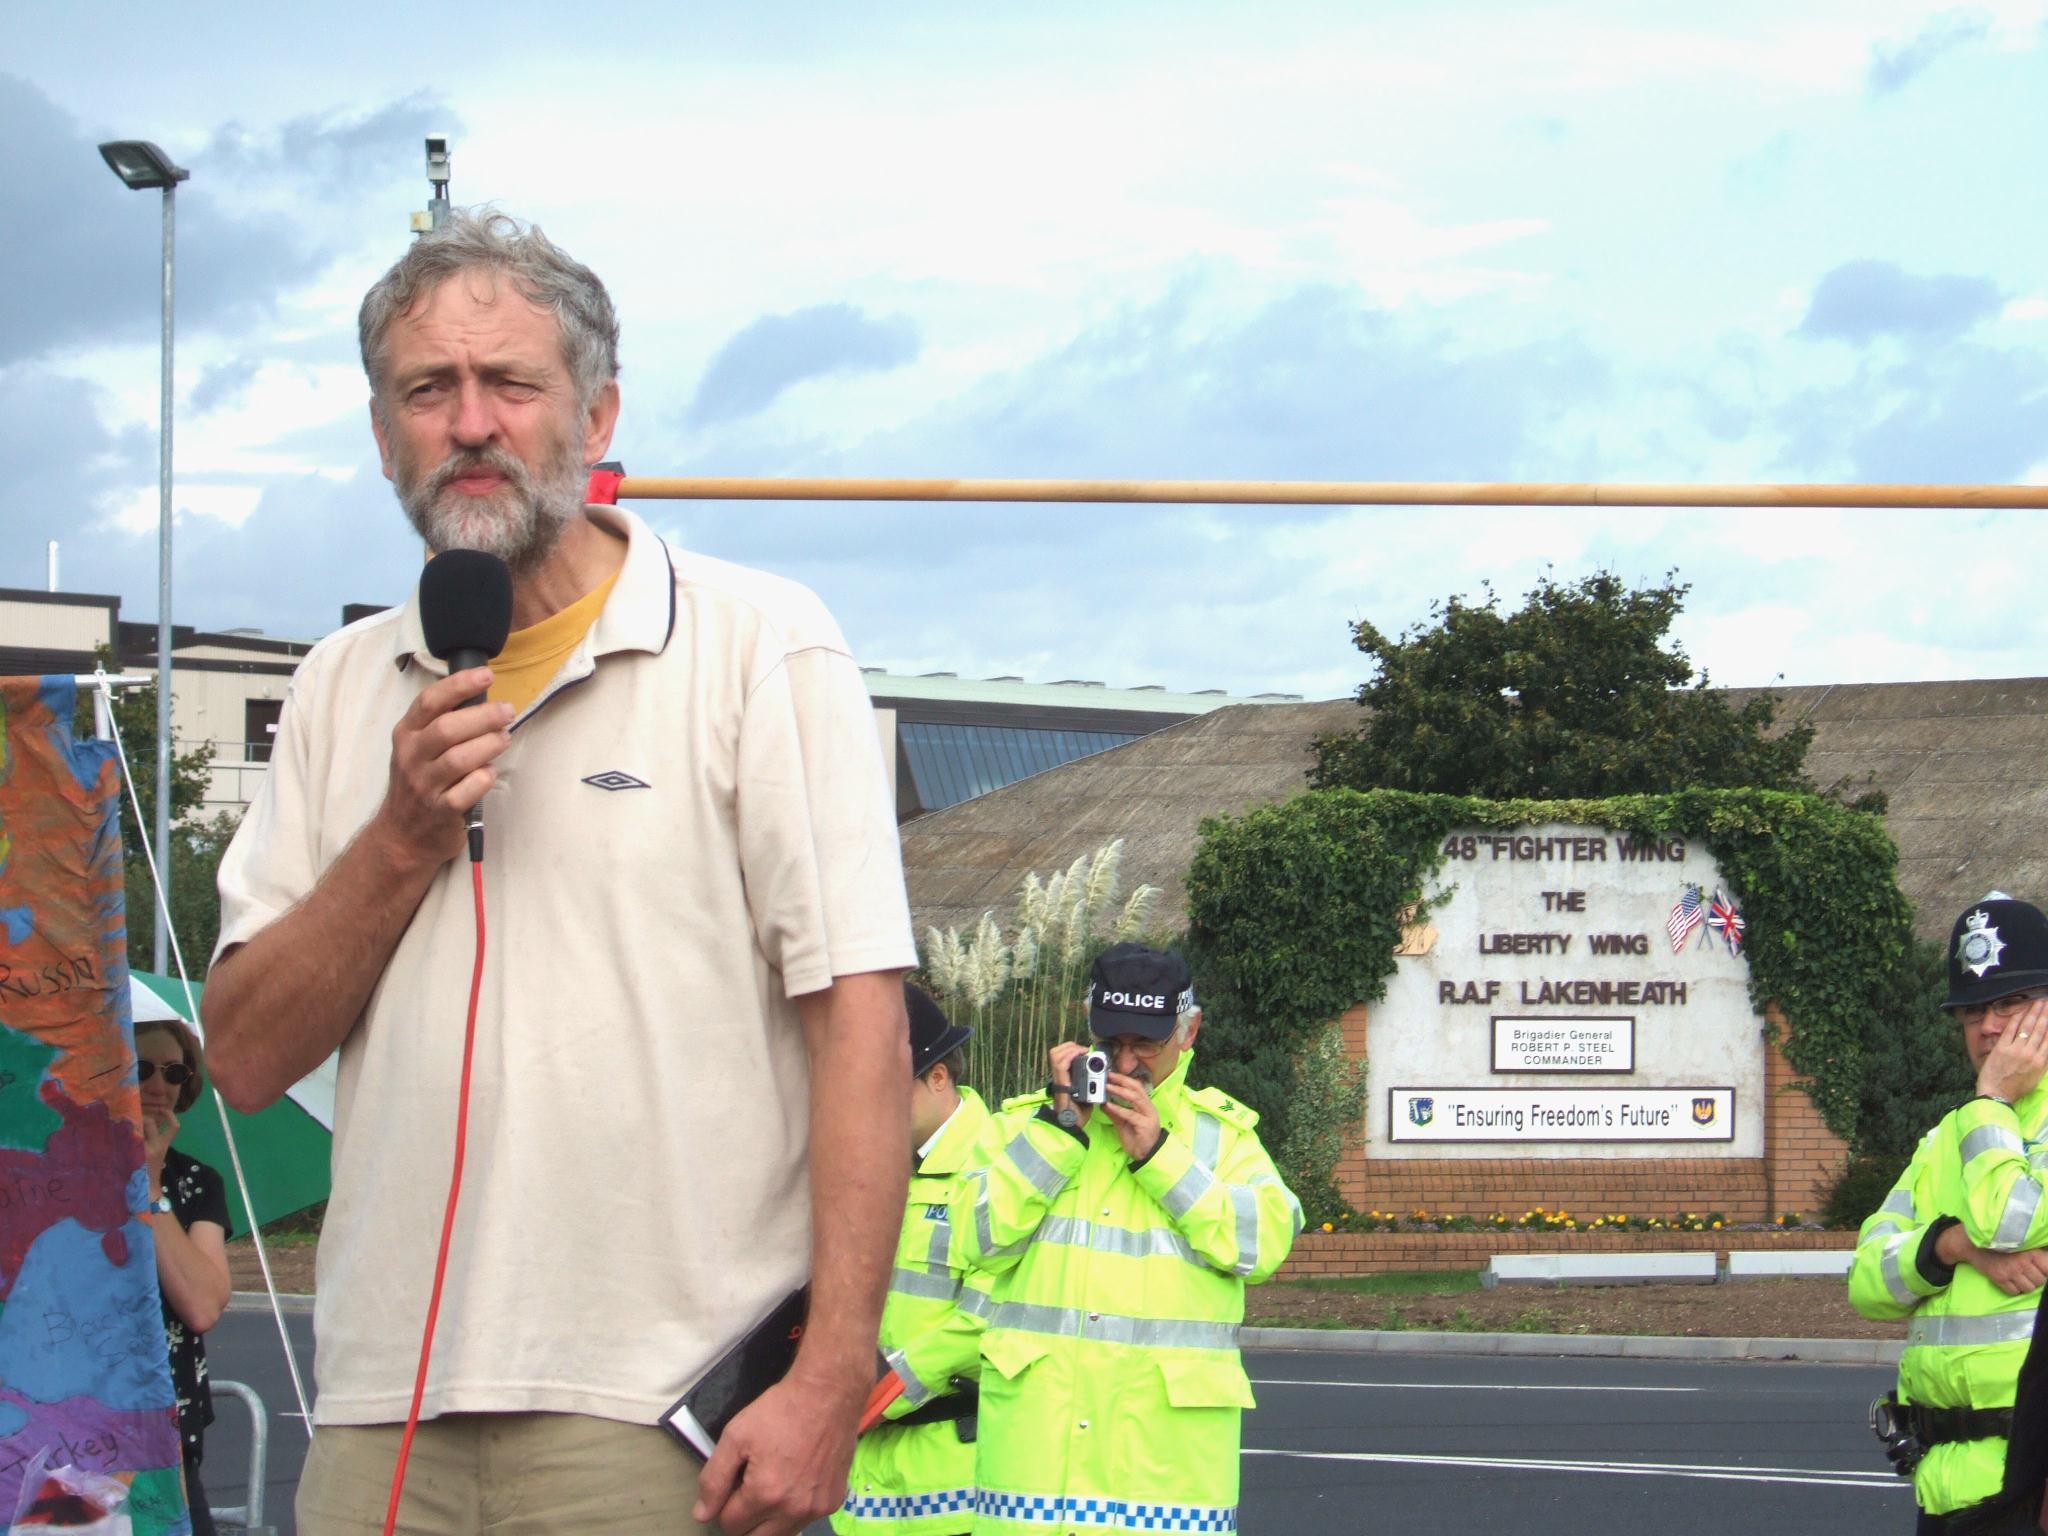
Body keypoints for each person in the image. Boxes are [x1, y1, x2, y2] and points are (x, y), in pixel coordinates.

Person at [201, 210, 916, 1536]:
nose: (471, 422)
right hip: (377, 1423)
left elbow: (861, 1028)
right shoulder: (334, 687)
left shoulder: (761, 646)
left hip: (655, 1423)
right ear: (381, 433)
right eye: (429, 390)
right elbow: (240, 1058)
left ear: (594, 417)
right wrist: (401, 835)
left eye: (511, 384)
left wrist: (829, 1380)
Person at [950, 942, 1302, 1535]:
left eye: (1146, 1044)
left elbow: (1264, 1244)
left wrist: (1162, 1157)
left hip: (1165, 1495)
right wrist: (1056, 1135)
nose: (1127, 1061)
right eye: (1111, 1042)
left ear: (1189, 1033)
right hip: (1034, 1496)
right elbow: (970, 1240)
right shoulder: (1026, 1125)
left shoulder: (1224, 1138)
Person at [1851, 894, 2048, 1533]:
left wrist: (1992, 1097)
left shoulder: (1977, 1119)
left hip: (2033, 1486)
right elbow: (1867, 1282)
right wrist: (1949, 1247)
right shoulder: (1947, 1138)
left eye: (2010, 1003)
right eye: (1971, 1011)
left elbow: (2010, 1223)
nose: (1988, 1027)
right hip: (1944, 1489)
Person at [835, 984, 1005, 1536]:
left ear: (938, 1077)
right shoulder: (870, 1164)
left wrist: (882, 1389)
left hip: (953, 1480)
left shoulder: (1001, 1163)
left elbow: (993, 1311)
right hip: (865, 1481)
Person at [136, 1016, 232, 1536]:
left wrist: (150, 1185)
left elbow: (202, 1304)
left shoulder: (195, 1181)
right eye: (140, 1067)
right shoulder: (58, 1173)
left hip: (168, 1428)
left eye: (173, 1072)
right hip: (69, 1419)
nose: (157, 1086)